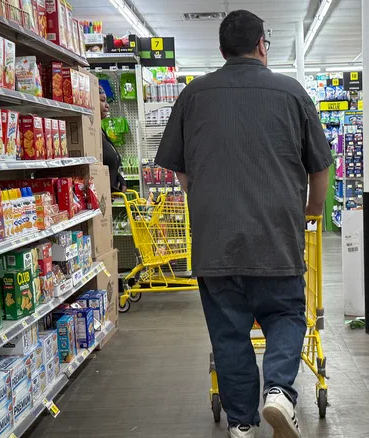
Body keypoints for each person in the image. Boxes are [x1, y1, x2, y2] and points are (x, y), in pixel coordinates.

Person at [155, 10, 332, 438]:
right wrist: (311, 210)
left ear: (222, 50)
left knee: (229, 333)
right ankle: (279, 392)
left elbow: (181, 171)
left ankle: (241, 424)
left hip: (215, 242)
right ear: (261, 46)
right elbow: (320, 167)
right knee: (286, 315)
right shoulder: (292, 93)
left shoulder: (193, 95)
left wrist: (205, 198)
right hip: (277, 238)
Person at [100, 86, 127, 192]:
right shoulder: (90, 134)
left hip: (108, 196)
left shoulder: (101, 131)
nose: (107, 105)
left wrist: (118, 177)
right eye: (102, 100)